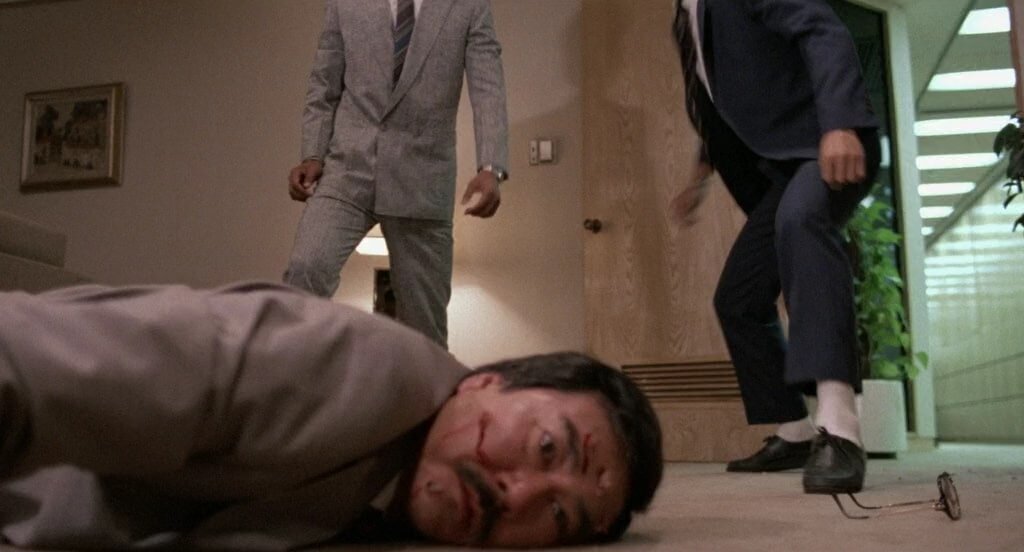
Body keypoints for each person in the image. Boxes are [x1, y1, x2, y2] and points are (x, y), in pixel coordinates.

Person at [0, 283, 662, 549]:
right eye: (547, 448)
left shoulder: (396, 494)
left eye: (559, 515)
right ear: (488, 380)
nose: (517, 496)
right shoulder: (352, 364)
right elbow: (43, 362)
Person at [669, 0, 882, 494]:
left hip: (828, 142)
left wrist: (840, 123)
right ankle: (796, 431)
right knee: (739, 299)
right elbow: (716, 95)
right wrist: (701, 174)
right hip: (785, 167)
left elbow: (822, 29)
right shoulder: (684, 14)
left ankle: (840, 427)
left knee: (802, 218)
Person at [282, 0, 510, 349]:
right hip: (347, 170)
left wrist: (491, 167)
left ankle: (425, 386)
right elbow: (324, 84)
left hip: (423, 178)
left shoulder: (468, 5)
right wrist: (312, 153)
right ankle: (291, 373)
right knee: (305, 270)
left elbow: (488, 87)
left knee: (425, 328)